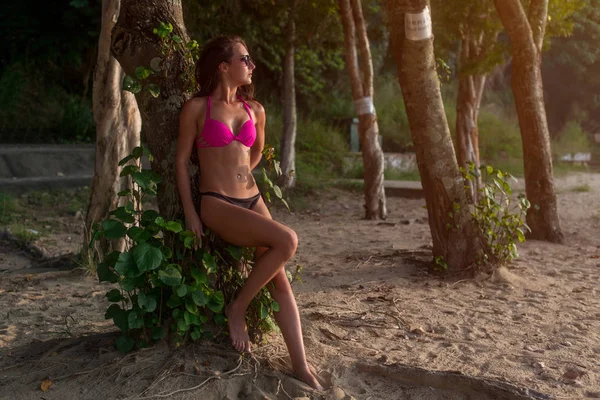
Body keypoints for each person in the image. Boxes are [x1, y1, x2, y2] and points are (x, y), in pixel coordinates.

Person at [175, 36, 322, 391]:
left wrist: (241, 172)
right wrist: (191, 214)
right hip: (218, 203)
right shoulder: (198, 109)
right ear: (223, 66)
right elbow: (180, 162)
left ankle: (300, 365)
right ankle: (237, 307)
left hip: (252, 199)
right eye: (245, 58)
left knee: (279, 278)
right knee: (287, 240)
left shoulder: (254, 109)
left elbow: (255, 155)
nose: (252, 65)